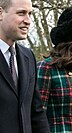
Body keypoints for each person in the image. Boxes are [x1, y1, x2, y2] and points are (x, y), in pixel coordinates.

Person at [0, 0, 50, 133]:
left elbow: (37, 112)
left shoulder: (28, 56)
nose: (28, 21)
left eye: (30, 14)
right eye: (21, 13)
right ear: (0, 13)